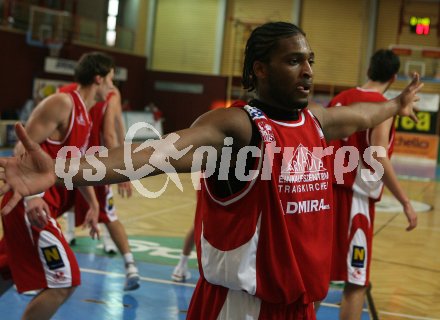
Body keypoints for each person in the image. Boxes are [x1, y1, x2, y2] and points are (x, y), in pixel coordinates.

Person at [0, 22, 423, 319]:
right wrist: (60, 169)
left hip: (299, 308)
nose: (309, 71)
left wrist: (397, 105)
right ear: (259, 68)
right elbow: (154, 154)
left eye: (310, 60)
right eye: (294, 61)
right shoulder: (237, 128)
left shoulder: (315, 121)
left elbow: (366, 116)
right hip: (241, 309)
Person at [0, 51, 114, 320]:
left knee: (8, 269)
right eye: (111, 80)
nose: (112, 87)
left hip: (41, 207)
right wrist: (34, 196)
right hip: (29, 204)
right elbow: (22, 145)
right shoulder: (63, 103)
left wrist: (94, 205)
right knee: (66, 281)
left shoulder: (86, 115)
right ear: (98, 78)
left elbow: (75, 167)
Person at [328, 49, 418, 320]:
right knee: (356, 283)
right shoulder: (383, 106)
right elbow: (377, 154)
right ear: (393, 76)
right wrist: (405, 201)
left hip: (324, 195)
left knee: (318, 277)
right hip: (354, 200)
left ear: (368, 70)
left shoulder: (339, 99)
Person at [58, 83, 140, 291]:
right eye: (109, 76)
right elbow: (112, 135)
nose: (110, 82)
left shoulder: (65, 94)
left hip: (66, 163)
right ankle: (130, 266)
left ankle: (34, 263)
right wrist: (123, 169)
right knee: (109, 216)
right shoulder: (110, 98)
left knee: (50, 209)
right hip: (94, 166)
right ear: (99, 78)